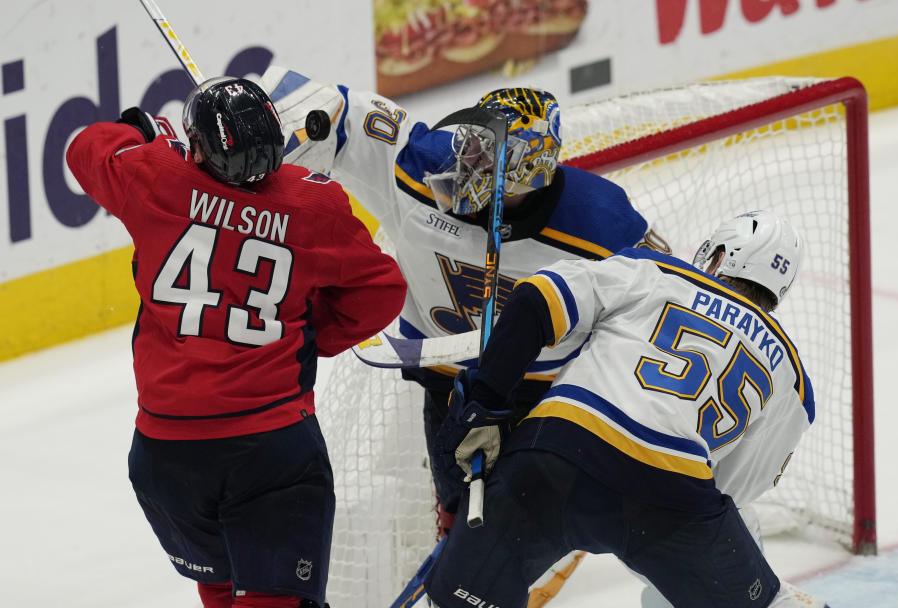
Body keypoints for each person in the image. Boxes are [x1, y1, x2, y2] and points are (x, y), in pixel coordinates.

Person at [257, 67, 671, 535]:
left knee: (540, 514)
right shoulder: (416, 167)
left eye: (488, 156)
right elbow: (336, 110)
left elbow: (664, 293)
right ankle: (455, 545)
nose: (467, 162)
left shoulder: (601, 223)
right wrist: (267, 122)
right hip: (448, 377)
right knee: (458, 509)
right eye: (470, 143)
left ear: (528, 169)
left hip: (551, 387)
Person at [66, 76, 406, 608]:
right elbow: (381, 292)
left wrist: (142, 133)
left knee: (226, 603)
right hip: (270, 449)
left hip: (165, 456)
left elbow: (85, 149)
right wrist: (303, 335)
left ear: (198, 147)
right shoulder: (313, 201)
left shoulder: (154, 176)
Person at [384, 211, 815, 608]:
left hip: (552, 457)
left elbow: (535, 300)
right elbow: (733, 489)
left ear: (718, 256)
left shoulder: (653, 271)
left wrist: (485, 404)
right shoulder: (791, 378)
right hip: (671, 497)